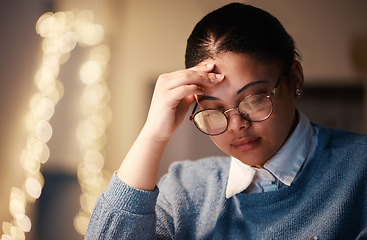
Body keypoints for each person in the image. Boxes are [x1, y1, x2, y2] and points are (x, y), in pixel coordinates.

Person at [85, 3, 367, 239]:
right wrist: (152, 135)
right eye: (214, 111)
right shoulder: (187, 190)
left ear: (294, 78)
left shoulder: (359, 169)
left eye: (254, 100)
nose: (236, 125)